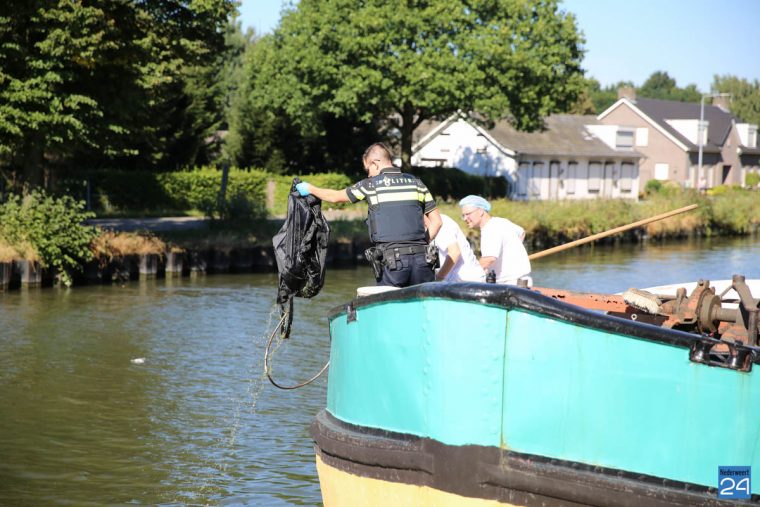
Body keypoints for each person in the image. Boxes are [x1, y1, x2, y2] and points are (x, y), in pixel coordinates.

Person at [295, 143, 442, 288]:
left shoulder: (371, 185)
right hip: (423, 261)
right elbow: (437, 222)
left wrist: (310, 188)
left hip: (394, 264)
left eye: (368, 169)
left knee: (391, 308)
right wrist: (422, 243)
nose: (368, 174)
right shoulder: (417, 184)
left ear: (375, 163)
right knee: (422, 307)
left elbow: (335, 197)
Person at [458, 195, 532, 285]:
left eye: (468, 214)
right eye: (463, 215)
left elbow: (489, 259)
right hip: (521, 281)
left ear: (481, 211)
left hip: (511, 284)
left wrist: (469, 274)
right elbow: (521, 233)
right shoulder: (501, 221)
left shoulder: (490, 229)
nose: (465, 218)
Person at [429, 213, 485, 282]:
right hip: (450, 281)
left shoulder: (440, 222)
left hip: (466, 280)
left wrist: (438, 278)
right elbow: (432, 257)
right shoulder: (424, 227)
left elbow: (454, 253)